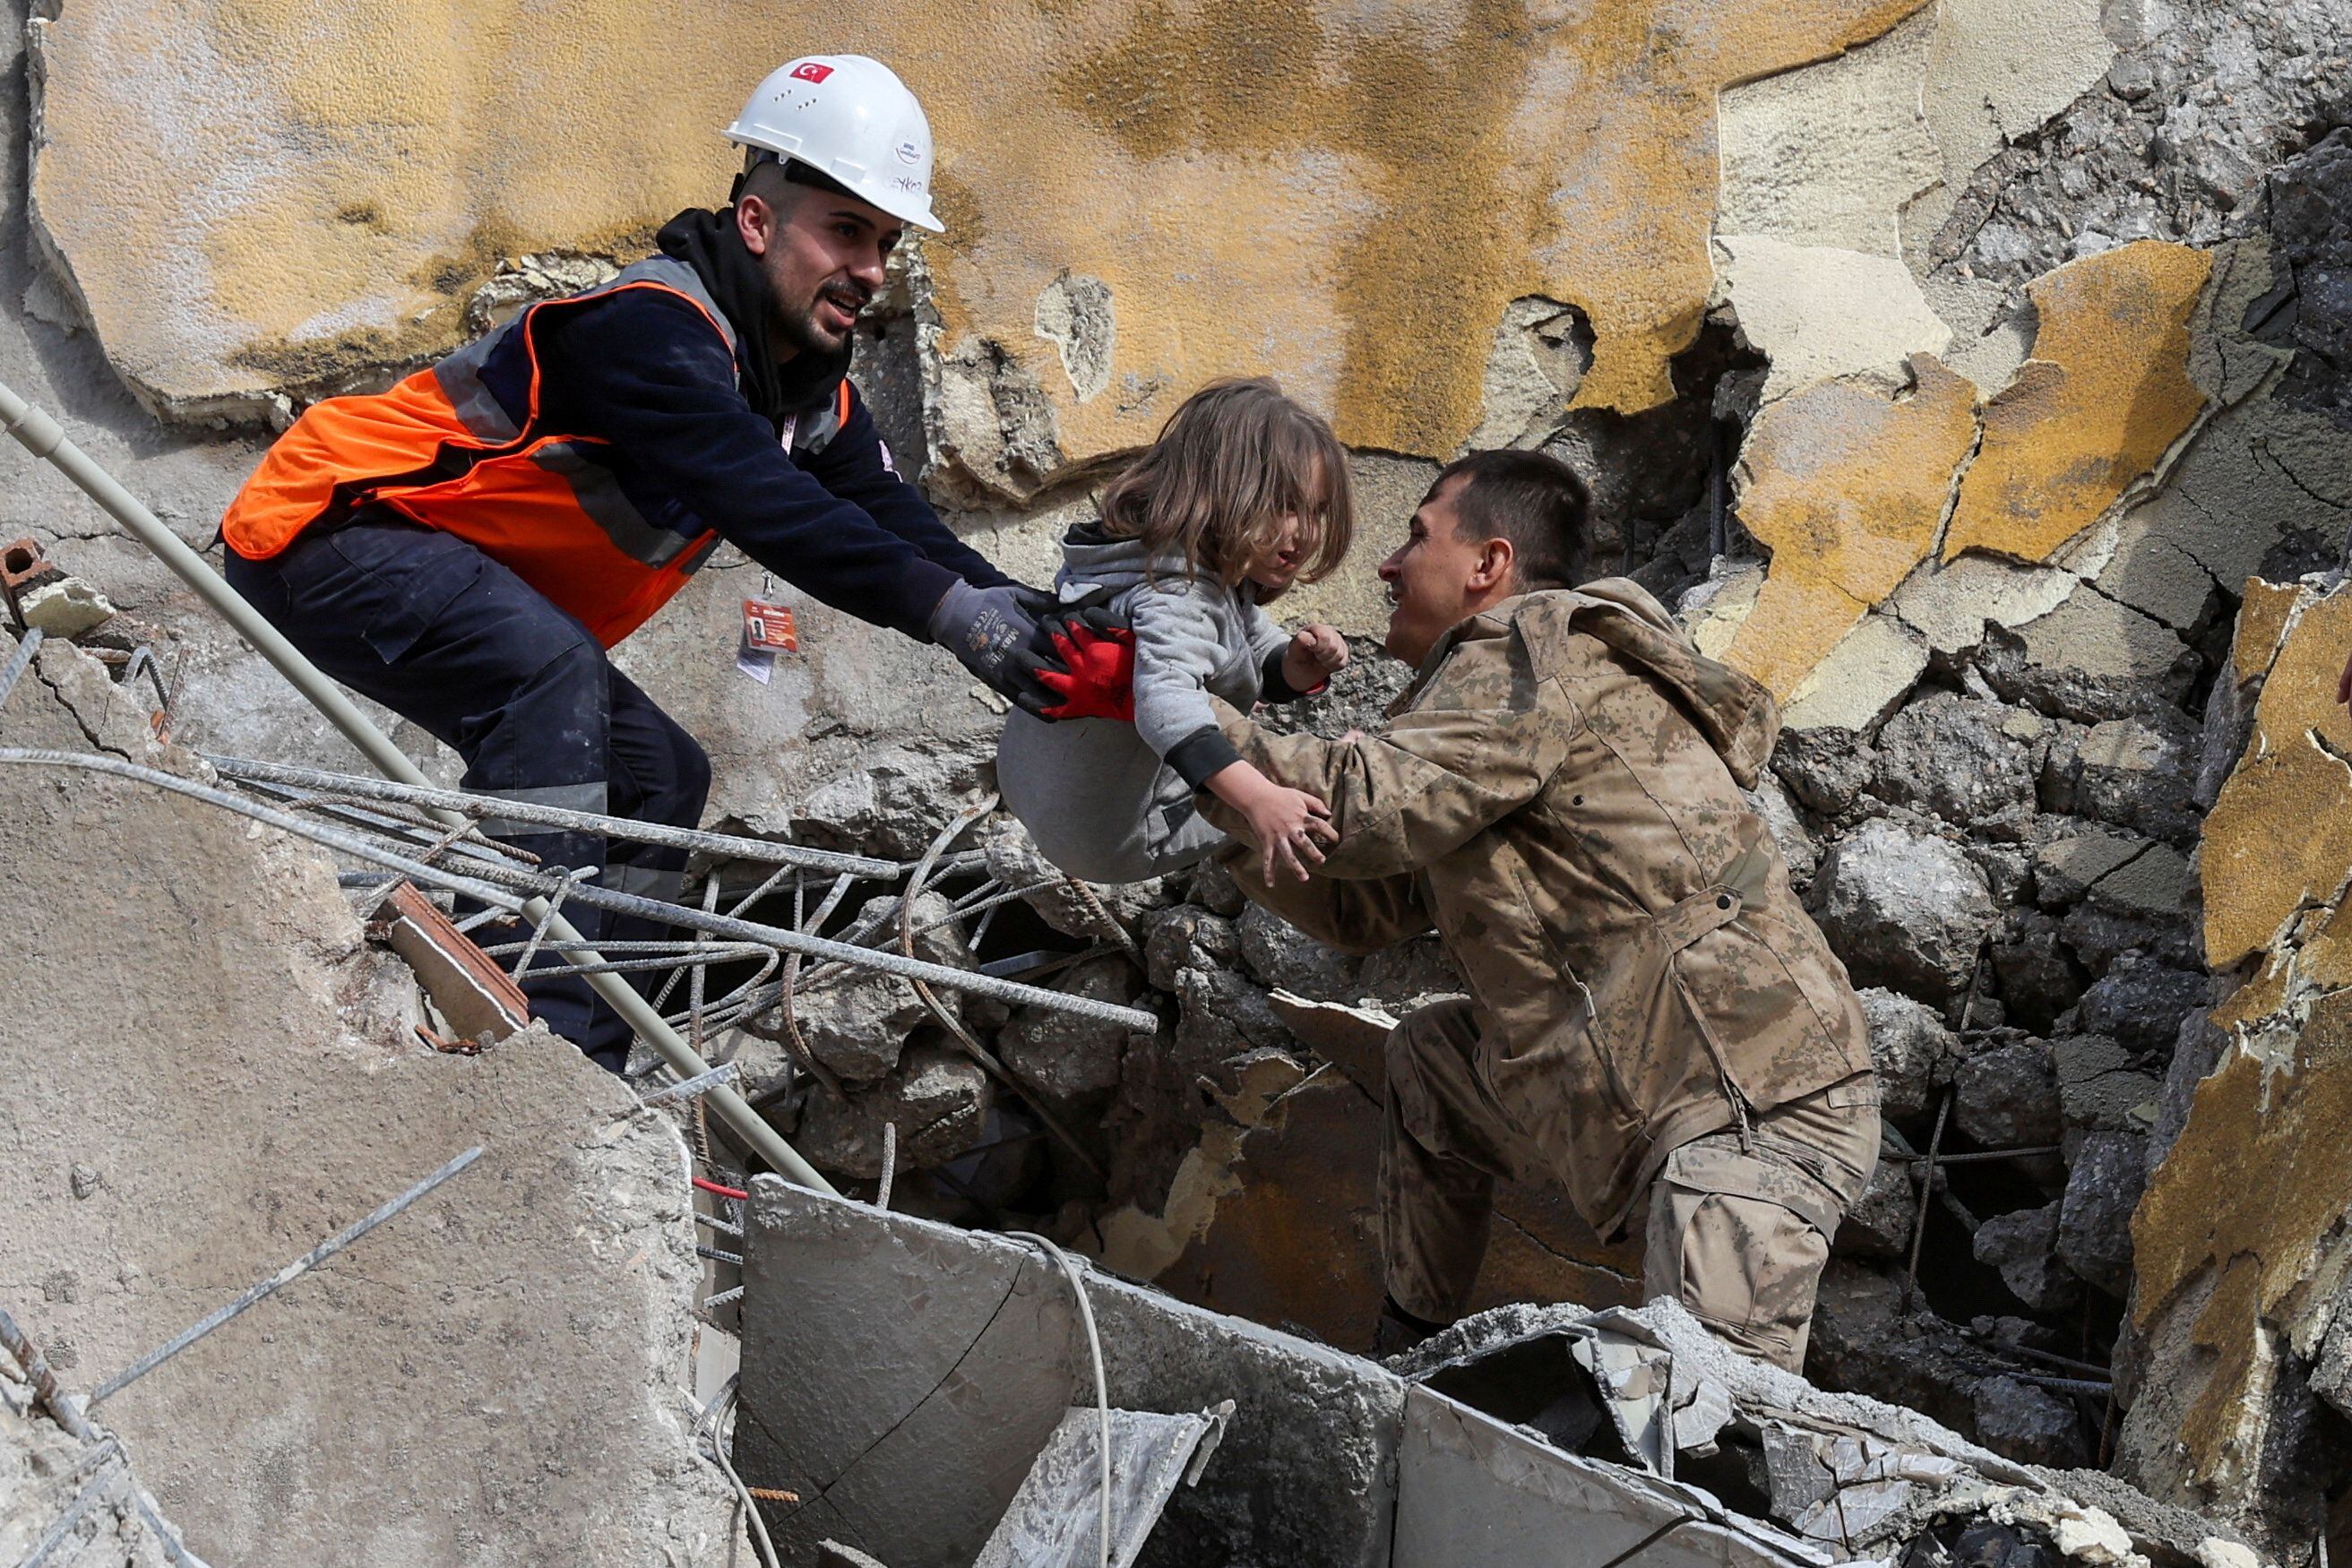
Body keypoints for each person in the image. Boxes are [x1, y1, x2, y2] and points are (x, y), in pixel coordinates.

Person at [217, 55, 1114, 1072]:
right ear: (758, 222)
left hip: (442, 568)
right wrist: (956, 617)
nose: (872, 269)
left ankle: (584, 1064)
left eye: (887, 242)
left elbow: (891, 517)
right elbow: (766, 501)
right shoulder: (649, 328)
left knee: (661, 777)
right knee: (546, 674)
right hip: (326, 530)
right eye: (846, 230)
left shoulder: (806, 391)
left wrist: (1025, 615)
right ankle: (513, 1042)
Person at [1196, 449, 1880, 1371]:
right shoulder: (1478, 708)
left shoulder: (1531, 647)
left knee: (1705, 1443)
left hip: (1746, 1094)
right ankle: (1410, 1357)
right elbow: (1361, 902)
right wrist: (1218, 808)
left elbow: (1363, 806)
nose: (1389, 566)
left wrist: (1175, 721)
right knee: (1433, 1057)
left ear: (1490, 565)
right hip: (1654, 1089)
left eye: (1417, 535)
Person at [997, 378, 1354, 886]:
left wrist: (1295, 664)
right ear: (1220, 492)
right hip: (1122, 840)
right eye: (1285, 505)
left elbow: (1246, 639)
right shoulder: (1177, 595)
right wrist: (1260, 800)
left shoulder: (1144, 561)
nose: (1305, 533)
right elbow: (1167, 707)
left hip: (1033, 787)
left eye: (1316, 511)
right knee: (1327, 798)